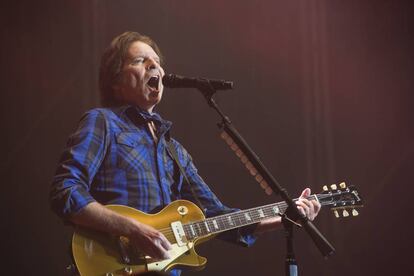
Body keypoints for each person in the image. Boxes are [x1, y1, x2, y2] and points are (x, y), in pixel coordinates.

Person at [50, 31, 321, 275]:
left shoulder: (174, 150)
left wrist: (284, 215)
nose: (153, 65)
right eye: (139, 61)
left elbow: (215, 215)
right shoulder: (103, 122)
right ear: (115, 81)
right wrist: (131, 229)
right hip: (110, 264)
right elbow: (65, 190)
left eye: (156, 62)